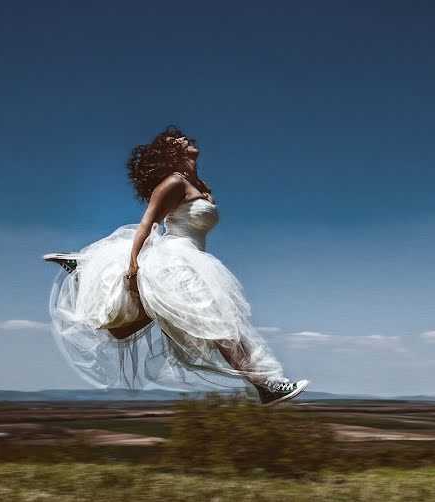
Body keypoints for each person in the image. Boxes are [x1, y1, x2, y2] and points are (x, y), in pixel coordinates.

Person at [45, 125, 308, 406]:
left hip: (195, 258)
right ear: (170, 154)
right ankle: (266, 384)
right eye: (176, 141)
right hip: (174, 261)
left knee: (124, 328)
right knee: (221, 325)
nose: (185, 139)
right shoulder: (173, 182)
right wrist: (132, 267)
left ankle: (89, 272)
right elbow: (147, 224)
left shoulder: (203, 187)